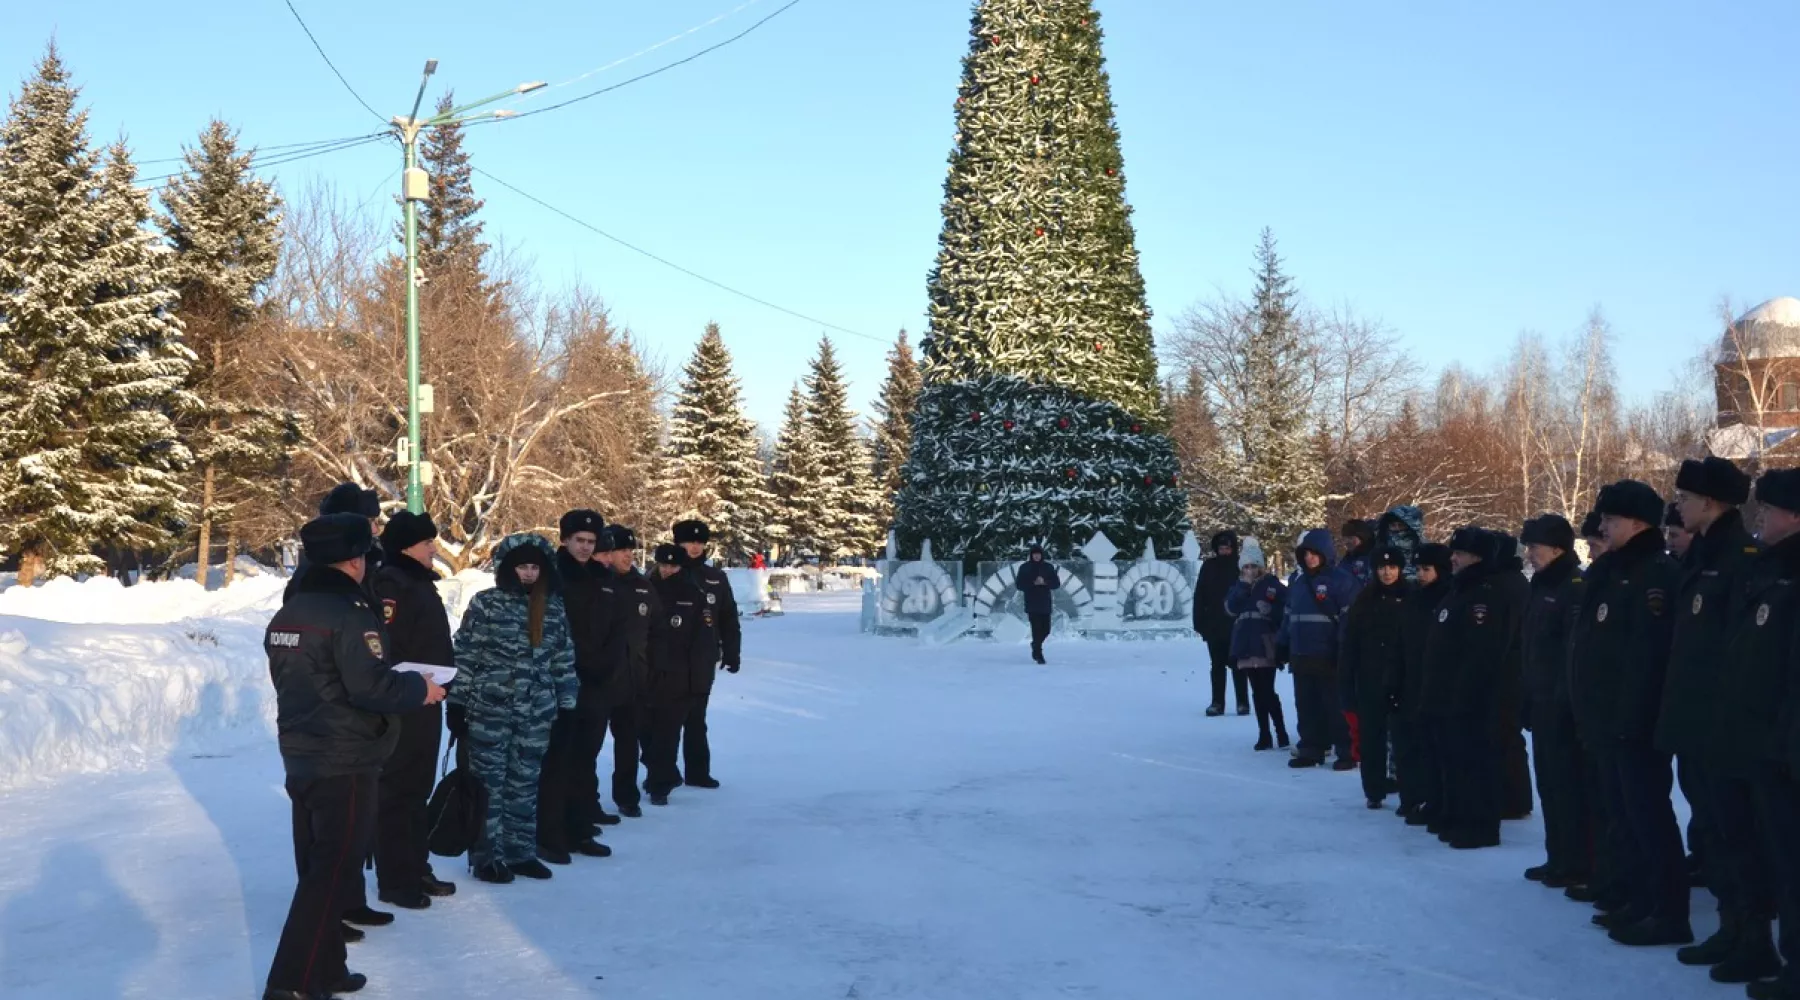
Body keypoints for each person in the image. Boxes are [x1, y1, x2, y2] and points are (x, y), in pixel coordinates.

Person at [262, 513, 444, 1000]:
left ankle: (327, 970)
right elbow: (371, 685)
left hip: (302, 754)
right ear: (356, 559)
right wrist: (418, 688)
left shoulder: (291, 612)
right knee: (333, 873)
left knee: (319, 865)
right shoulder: (348, 614)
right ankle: (292, 983)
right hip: (344, 759)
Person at [1656, 457, 1772, 978]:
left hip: (1721, 726)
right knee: (1714, 831)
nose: (1678, 507)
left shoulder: (1740, 556)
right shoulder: (1703, 554)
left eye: (1685, 499)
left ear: (1710, 503)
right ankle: (1731, 928)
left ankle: (1753, 939)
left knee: (1736, 834)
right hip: (1695, 723)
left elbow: (1738, 652)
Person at [1576, 480, 1688, 947]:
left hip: (1634, 722)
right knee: (1624, 815)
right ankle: (1637, 898)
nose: (1602, 526)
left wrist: (1630, 718)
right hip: (1608, 720)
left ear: (1639, 523)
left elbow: (1646, 657)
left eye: (1611, 520)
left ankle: (1667, 911)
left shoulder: (1653, 573)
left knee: (1648, 815)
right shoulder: (1615, 570)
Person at [1713, 468, 1800, 998]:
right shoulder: (1770, 571)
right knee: (1780, 861)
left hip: (1783, 747)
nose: (1757, 516)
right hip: (1759, 744)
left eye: (1766, 508)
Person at [451, 533, 579, 884]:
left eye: (534, 567)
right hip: (489, 712)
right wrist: (457, 704)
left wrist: (567, 707)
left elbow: (563, 661)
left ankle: (520, 851)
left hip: (536, 713)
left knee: (524, 783)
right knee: (488, 786)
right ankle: (486, 856)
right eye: (521, 566)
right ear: (508, 569)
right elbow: (465, 656)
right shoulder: (486, 604)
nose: (528, 573)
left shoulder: (552, 607)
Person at [368, 511, 457, 910]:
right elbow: (390, 645)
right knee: (398, 790)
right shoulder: (392, 583)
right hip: (405, 700)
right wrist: (416, 682)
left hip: (427, 698)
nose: (433, 549)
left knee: (417, 788)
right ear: (406, 547)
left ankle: (415, 864)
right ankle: (395, 877)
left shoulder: (417, 581)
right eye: (426, 544)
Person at [1417, 527, 1514, 849]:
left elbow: (1480, 651)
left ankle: (1479, 825)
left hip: (1470, 698)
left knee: (1475, 763)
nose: (1453, 558)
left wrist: (1463, 694)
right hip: (1445, 695)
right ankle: (1458, 816)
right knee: (1454, 762)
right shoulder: (1458, 589)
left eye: (1460, 553)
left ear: (1477, 557)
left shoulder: (1484, 593)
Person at [539, 509, 615, 866]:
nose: (585, 547)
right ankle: (553, 834)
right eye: (579, 541)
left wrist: (608, 664)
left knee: (586, 758)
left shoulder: (601, 577)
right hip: (563, 681)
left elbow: (614, 626)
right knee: (559, 760)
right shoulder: (552, 577)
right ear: (565, 540)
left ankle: (581, 827)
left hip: (597, 681)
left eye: (590, 542)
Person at [1519, 513, 1589, 889]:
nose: (1529, 554)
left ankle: (1576, 861)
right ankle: (1558, 856)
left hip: (1562, 707)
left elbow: (1570, 654)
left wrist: (1563, 702)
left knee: (1568, 786)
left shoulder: (1571, 586)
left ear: (1558, 548)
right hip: (1542, 702)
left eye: (1535, 547)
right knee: (1549, 784)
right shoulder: (1541, 586)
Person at [1277, 529, 1357, 770]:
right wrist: (1282, 643)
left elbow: (1348, 619)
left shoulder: (1341, 581)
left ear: (1325, 553)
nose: (1310, 558)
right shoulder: (1299, 583)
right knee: (1306, 705)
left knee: (1335, 707)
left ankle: (1345, 751)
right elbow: (1288, 616)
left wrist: (1343, 649)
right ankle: (1311, 748)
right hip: (1301, 654)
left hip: (1329, 655)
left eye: (1315, 553)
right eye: (1306, 554)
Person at [672, 519, 740, 787]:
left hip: (703, 658)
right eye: (690, 541)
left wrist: (732, 651)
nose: (695, 547)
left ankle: (697, 771)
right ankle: (662, 772)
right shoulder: (664, 572)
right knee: (666, 719)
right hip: (669, 659)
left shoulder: (715, 578)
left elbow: (728, 618)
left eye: (700, 542)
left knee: (696, 717)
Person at [1340, 547, 1410, 808]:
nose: (1387, 572)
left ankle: (1408, 789)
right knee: (1372, 738)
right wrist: (1347, 682)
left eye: (1392, 567)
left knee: (1404, 738)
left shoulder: (1411, 597)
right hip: (1370, 678)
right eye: (1382, 567)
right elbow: (1350, 644)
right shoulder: (1365, 600)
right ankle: (1374, 788)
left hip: (1402, 679)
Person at [599, 525, 656, 818]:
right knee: (589, 746)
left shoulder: (643, 585)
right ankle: (587, 801)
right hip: (602, 679)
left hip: (635, 678)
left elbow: (656, 632)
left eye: (630, 551)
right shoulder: (600, 583)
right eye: (622, 551)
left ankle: (627, 795)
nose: (627, 556)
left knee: (628, 742)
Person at [1396, 543, 1453, 825]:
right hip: (1414, 679)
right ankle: (1421, 798)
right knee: (1417, 745)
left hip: (1440, 683)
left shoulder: (1449, 597)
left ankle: (1440, 801)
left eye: (1426, 569)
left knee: (1438, 748)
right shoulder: (1415, 599)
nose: (1420, 574)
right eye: (1418, 569)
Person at [646, 543, 706, 806]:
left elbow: (702, 640)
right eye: (664, 565)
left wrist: (698, 679)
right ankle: (663, 772)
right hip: (645, 671)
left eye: (673, 565)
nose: (668, 570)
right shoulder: (644, 587)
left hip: (678, 675)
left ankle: (660, 784)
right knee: (644, 731)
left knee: (667, 733)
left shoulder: (692, 593)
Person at [1224, 537, 1287, 751]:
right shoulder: (1238, 586)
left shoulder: (1271, 584)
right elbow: (1231, 607)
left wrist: (1271, 611)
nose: (1250, 570)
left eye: (1253, 566)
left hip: (1265, 643)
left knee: (1267, 689)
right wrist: (1243, 586)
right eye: (1246, 566)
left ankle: (1281, 731)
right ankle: (1264, 734)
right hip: (1245, 643)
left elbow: (1285, 608)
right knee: (1256, 691)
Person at [1194, 531, 1247, 717]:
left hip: (1237, 624)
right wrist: (1199, 622)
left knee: (1238, 664)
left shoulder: (1240, 567)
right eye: (1221, 548)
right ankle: (1217, 702)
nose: (1224, 551)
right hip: (1214, 624)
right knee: (1217, 665)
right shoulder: (1209, 566)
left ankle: (1243, 702)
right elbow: (1200, 595)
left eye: (1227, 548)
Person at [1016, 544, 1063, 665]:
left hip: (1045, 602)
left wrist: (1045, 582)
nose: (1036, 556)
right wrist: (1033, 583)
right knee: (1036, 630)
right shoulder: (1025, 568)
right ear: (1031, 555)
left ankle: (1035, 645)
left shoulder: (1048, 567)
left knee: (1046, 630)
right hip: (1032, 602)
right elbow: (1019, 585)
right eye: (1034, 554)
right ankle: (1038, 654)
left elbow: (1056, 584)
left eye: (1039, 554)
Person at [1375, 506, 1426, 579]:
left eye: (1401, 525)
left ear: (1411, 527)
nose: (1397, 529)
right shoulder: (1381, 546)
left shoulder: (1426, 549)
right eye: (1393, 525)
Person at [1339, 519, 1376, 593]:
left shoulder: (1374, 558)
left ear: (1363, 537)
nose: (1346, 541)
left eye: (1351, 538)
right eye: (1345, 538)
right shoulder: (1348, 558)